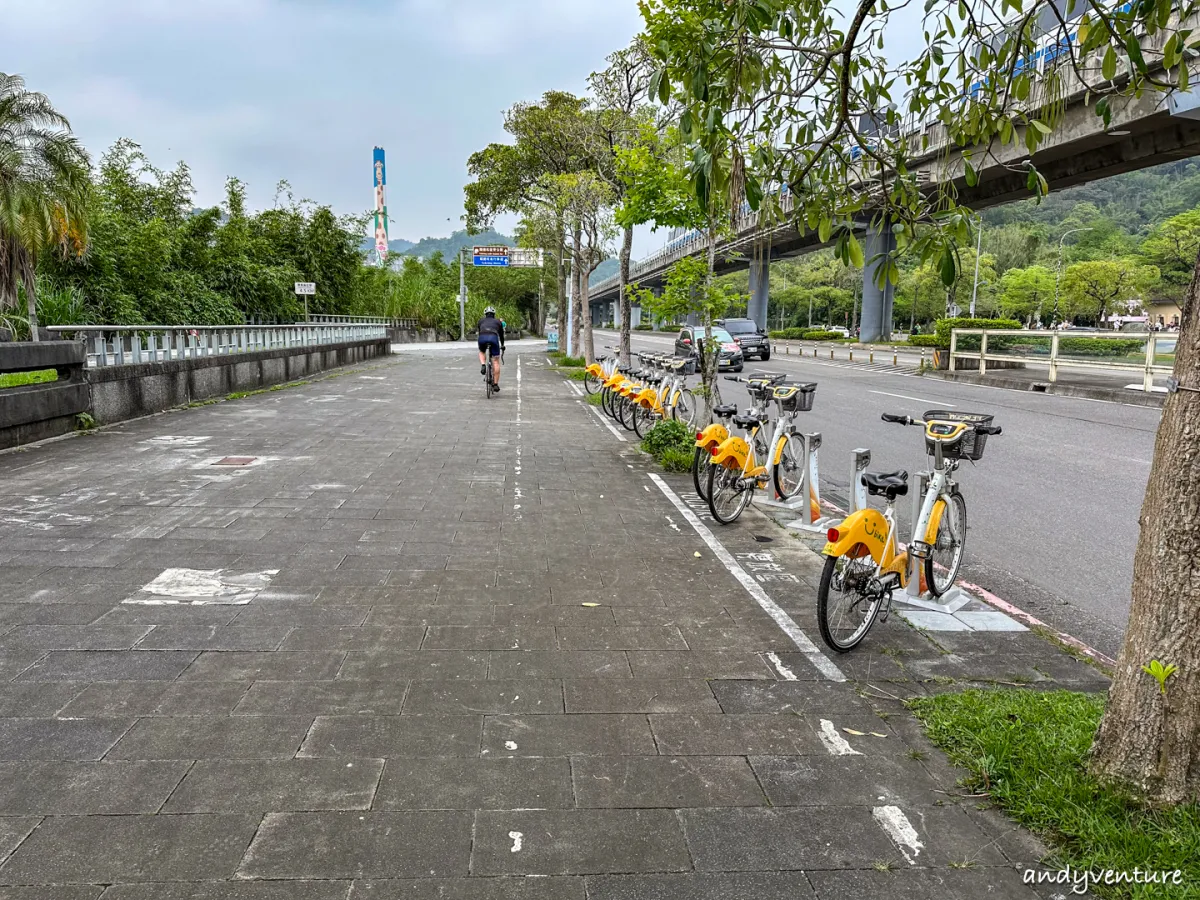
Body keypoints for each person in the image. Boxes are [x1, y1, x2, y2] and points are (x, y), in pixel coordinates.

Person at [477, 306, 506, 391]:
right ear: (494, 314)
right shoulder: (498, 322)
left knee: (482, 351)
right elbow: (501, 336)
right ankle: (496, 384)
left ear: (485, 314)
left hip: (482, 338)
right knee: (496, 362)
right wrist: (502, 345)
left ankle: (483, 365)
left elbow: (480, 331)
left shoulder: (481, 321)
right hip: (493, 338)